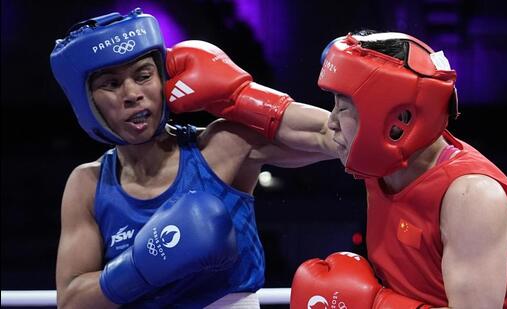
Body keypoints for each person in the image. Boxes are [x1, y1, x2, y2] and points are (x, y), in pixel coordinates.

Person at [168, 30, 507, 308]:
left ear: (396, 119)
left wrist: (373, 304)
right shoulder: (384, 158)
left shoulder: (470, 196)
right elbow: (311, 129)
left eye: (344, 106)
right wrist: (235, 95)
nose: (333, 122)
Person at [50, 8, 336, 308]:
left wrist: (241, 96)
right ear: (88, 101)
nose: (132, 93)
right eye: (111, 84)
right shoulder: (88, 183)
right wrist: (139, 268)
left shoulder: (221, 146)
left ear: (163, 79)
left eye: (144, 75)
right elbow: (71, 301)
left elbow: (331, 137)